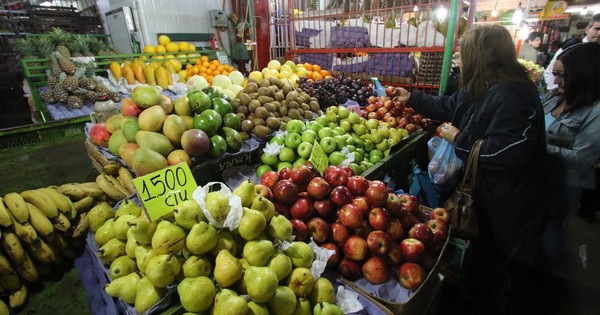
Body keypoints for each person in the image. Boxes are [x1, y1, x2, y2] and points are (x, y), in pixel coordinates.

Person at [395, 25, 547, 315]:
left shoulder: (512, 96)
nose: (459, 61)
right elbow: (450, 105)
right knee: (479, 262)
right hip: (488, 196)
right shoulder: (483, 86)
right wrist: (412, 97)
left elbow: (505, 153)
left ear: (481, 56)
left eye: (464, 54)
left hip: (507, 204)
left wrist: (458, 139)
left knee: (491, 271)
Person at [537, 43, 600, 269]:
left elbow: (583, 159)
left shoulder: (595, 112)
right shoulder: (556, 98)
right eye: (555, 74)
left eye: (561, 75)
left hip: (562, 183)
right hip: (537, 176)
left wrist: (537, 146)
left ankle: (543, 279)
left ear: (582, 75)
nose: (557, 81)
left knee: (550, 228)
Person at [544, 13, 600, 91]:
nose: (599, 33)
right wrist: (559, 91)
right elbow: (549, 72)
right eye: (597, 29)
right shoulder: (571, 46)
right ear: (587, 29)